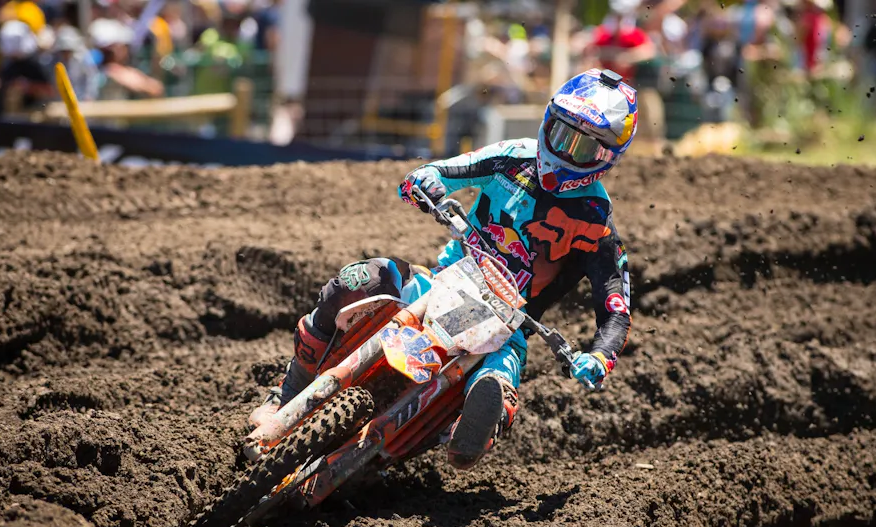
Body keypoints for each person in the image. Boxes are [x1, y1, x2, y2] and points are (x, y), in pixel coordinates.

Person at [250, 69, 637, 471]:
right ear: (547, 122)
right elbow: (445, 171)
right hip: (439, 284)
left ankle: (458, 434)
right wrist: (425, 181)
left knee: (495, 392)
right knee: (358, 279)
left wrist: (599, 357)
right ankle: (287, 392)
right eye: (561, 134)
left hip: (506, 331)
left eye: (583, 146)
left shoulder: (597, 221)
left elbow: (616, 309)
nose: (566, 151)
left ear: (607, 156)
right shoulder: (513, 157)